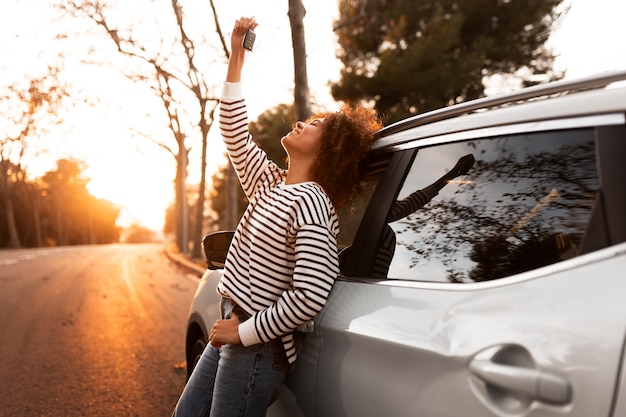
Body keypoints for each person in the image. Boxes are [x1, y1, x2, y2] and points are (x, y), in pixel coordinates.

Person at [172, 16, 382, 417]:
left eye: (316, 124)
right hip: (233, 330)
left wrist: (243, 332)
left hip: (256, 347)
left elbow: (310, 294)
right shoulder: (272, 184)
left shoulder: (313, 203)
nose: (301, 122)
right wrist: (238, 54)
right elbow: (233, 130)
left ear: (330, 150)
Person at [372, 153, 475, 277]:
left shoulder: (380, 233)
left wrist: (452, 174)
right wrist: (452, 174)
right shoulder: (379, 231)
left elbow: (408, 204)